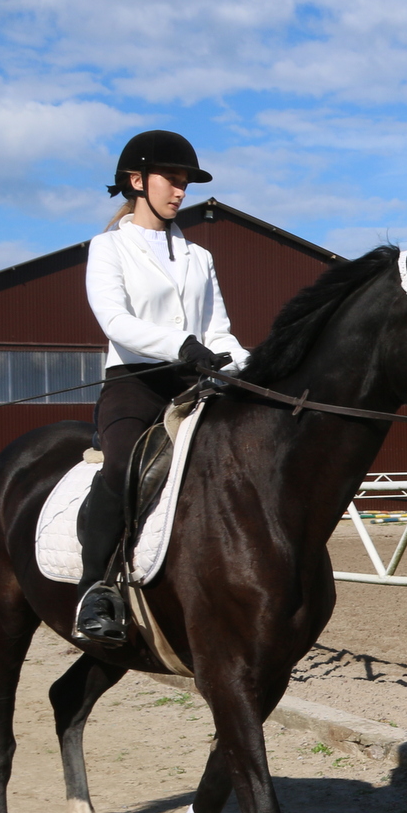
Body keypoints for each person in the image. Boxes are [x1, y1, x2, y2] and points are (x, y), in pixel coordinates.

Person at [75, 129, 250, 647]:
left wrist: (248, 364)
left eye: (185, 183)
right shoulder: (108, 248)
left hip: (194, 384)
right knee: (125, 465)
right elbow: (115, 320)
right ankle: (96, 589)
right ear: (137, 181)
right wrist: (183, 345)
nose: (180, 191)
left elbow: (219, 330)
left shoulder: (200, 257)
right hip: (134, 383)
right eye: (171, 181)